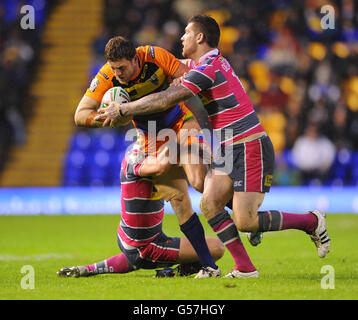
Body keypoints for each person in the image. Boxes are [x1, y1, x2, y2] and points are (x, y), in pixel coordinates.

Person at [97, 15, 331, 278]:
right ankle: (245, 267)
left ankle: (311, 221)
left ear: (199, 37)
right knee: (209, 202)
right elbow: (169, 73)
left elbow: (165, 99)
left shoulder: (208, 67)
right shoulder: (202, 64)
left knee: (245, 221)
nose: (182, 37)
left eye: (186, 32)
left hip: (249, 143)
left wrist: (123, 109)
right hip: (229, 147)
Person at [74, 36, 222, 277]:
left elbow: (187, 83)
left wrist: (202, 120)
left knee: (198, 179)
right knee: (179, 200)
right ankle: (209, 267)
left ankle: (239, 213)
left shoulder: (155, 56)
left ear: (135, 58)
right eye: (113, 68)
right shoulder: (106, 76)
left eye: (122, 67)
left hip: (181, 121)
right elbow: (80, 115)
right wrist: (108, 118)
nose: (118, 74)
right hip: (152, 137)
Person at [58, 145, 225, 278]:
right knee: (216, 248)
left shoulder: (145, 152)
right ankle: (173, 272)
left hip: (131, 238)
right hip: (147, 246)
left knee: (137, 254)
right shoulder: (137, 158)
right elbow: (161, 167)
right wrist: (182, 138)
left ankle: (91, 269)